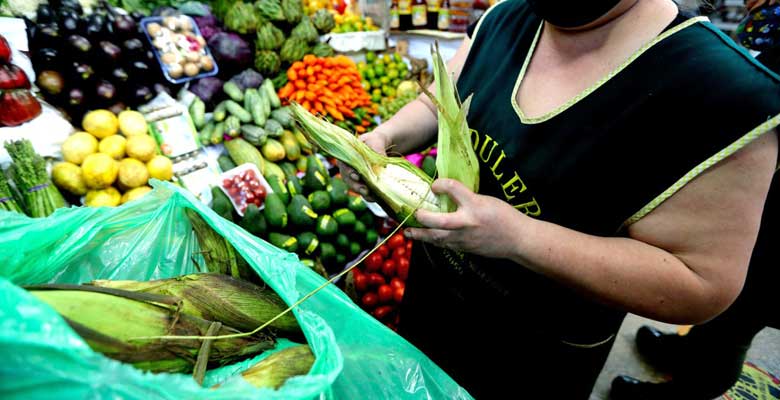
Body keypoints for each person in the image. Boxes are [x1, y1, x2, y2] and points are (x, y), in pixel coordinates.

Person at [340, 0, 780, 397]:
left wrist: (516, 236)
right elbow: (446, 98)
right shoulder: (505, 19)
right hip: (431, 308)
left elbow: (701, 285)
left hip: (534, 362)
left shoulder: (722, 94)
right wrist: (385, 136)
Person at [610, 1, 780, 398]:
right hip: (753, 182)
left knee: (737, 309)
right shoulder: (768, 17)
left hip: (772, 204)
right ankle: (688, 350)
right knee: (723, 309)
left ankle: (690, 389)